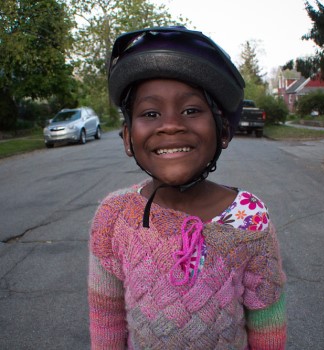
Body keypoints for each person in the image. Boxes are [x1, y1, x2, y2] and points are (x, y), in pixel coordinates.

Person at [88, 26, 287, 350]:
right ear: (127, 138)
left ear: (222, 130)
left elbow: (268, 325)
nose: (170, 125)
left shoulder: (250, 219)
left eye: (191, 110)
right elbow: (106, 320)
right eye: (150, 113)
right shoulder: (114, 217)